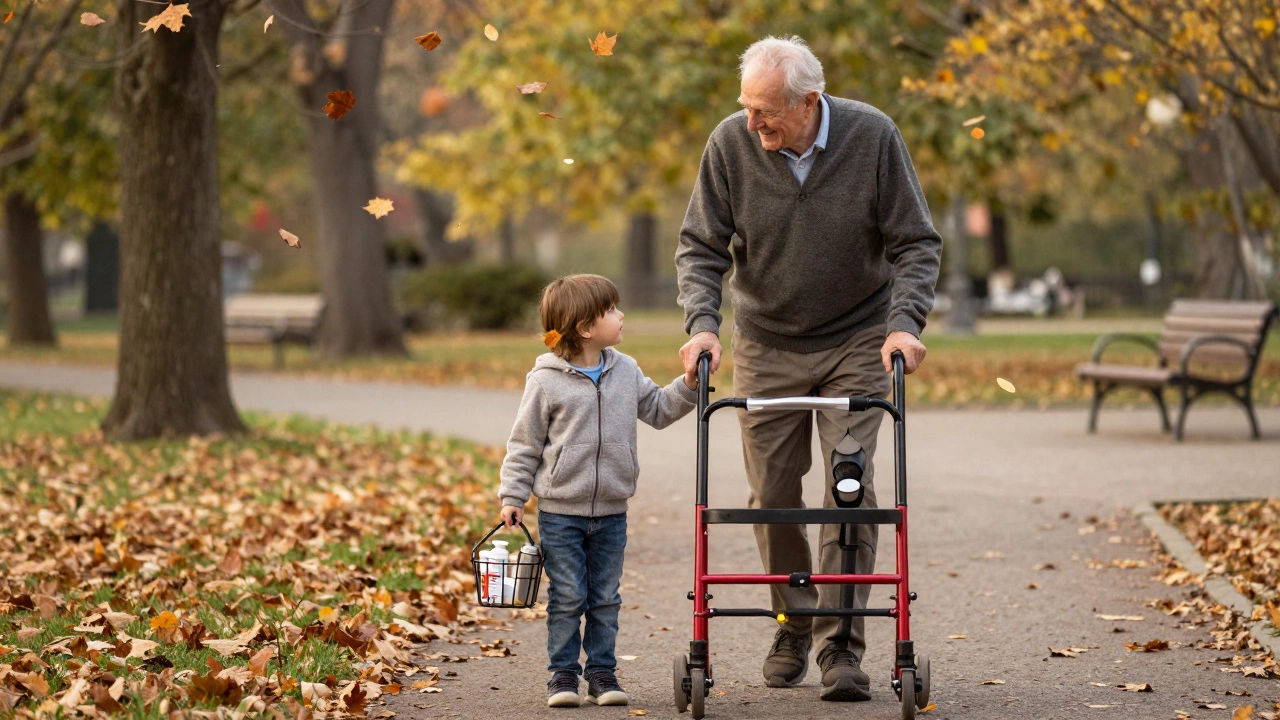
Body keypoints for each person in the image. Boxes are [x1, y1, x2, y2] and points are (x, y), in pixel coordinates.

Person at [675, 35, 942, 701]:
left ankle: (841, 648)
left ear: (808, 102)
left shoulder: (872, 137)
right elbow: (700, 247)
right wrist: (702, 327)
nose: (751, 123)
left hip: (856, 337)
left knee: (849, 488)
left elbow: (915, 242)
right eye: (746, 108)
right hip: (766, 341)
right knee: (772, 495)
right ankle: (794, 620)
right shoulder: (730, 145)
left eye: (766, 111)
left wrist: (904, 325)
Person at [498, 274, 699, 708]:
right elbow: (525, 443)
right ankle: (563, 676)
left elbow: (659, 410)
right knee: (569, 596)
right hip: (559, 512)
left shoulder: (625, 370)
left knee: (605, 598)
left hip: (611, 510)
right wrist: (513, 496)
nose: (621, 314)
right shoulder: (546, 381)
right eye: (611, 310)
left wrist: (689, 385)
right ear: (586, 327)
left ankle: (603, 673)